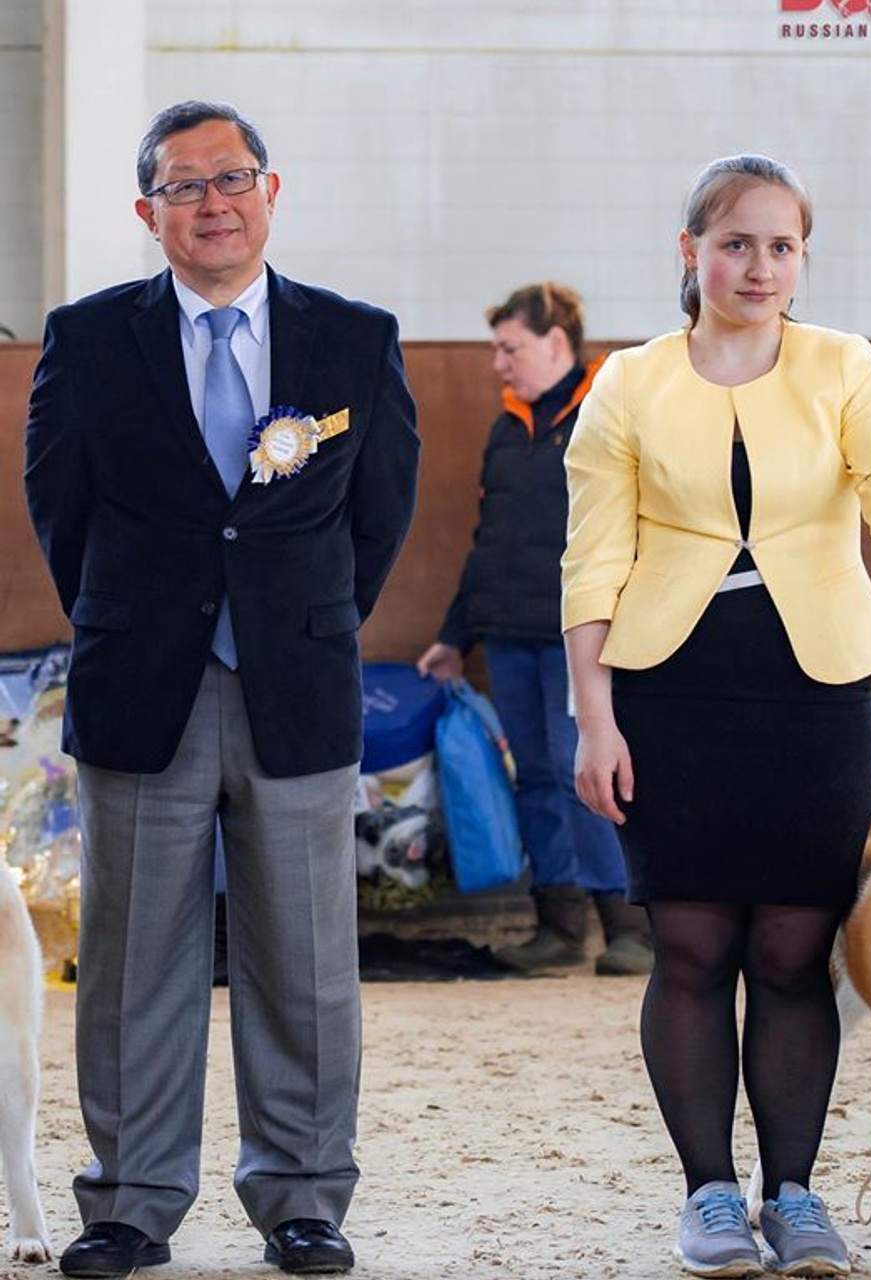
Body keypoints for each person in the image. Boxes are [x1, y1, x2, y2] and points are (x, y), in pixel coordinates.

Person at [561, 154, 871, 1278]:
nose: (758, 265)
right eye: (734, 242)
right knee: (693, 941)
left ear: (804, 258)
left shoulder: (846, 366)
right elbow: (591, 563)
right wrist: (593, 719)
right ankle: (707, 1195)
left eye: (780, 244)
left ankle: (792, 1195)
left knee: (796, 944)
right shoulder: (626, 383)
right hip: (668, 683)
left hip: (812, 684)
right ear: (688, 251)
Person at [25, 101, 419, 1278]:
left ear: (271, 190)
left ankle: (301, 1195)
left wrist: (302, 617)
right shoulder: (88, 339)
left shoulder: (353, 338)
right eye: (183, 187)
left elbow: (379, 513)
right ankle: (130, 1202)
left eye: (231, 177)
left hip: (296, 681)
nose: (213, 202)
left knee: (303, 958)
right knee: (135, 954)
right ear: (147, 213)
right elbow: (63, 513)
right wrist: (147, 615)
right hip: (142, 680)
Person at [418, 284, 648, 976]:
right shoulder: (507, 427)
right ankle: (559, 923)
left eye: (509, 348)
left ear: (556, 343)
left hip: (584, 635)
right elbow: (490, 541)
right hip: (511, 635)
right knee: (537, 777)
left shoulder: (608, 413)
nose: (498, 364)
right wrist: (455, 635)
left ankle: (628, 922)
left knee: (589, 772)